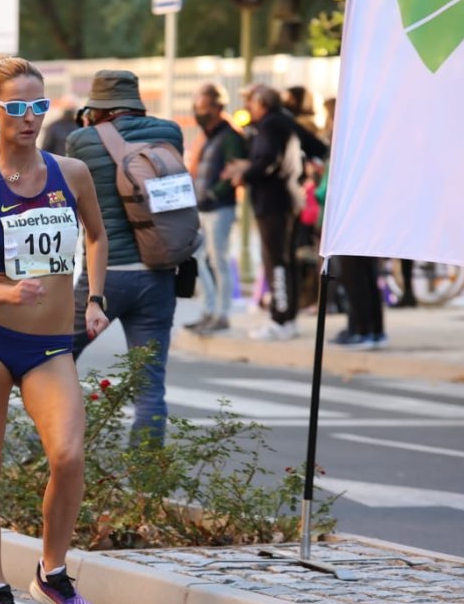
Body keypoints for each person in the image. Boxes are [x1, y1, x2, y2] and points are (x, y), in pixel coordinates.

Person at [0, 55, 108, 604]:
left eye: (39, 106)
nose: (30, 117)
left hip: (49, 349)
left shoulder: (72, 173)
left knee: (68, 455)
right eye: (17, 107)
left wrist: (95, 299)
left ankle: (53, 571)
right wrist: (8, 294)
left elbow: (96, 235)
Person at [66, 69, 183, 443]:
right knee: (150, 384)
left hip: (106, 276)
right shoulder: (170, 133)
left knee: (54, 359)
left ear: (96, 109)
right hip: (160, 273)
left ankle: (47, 452)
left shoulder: (81, 141)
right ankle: (146, 477)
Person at [223, 84, 300, 341]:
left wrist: (243, 173)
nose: (247, 107)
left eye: (251, 102)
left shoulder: (270, 125)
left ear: (262, 104)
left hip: (273, 202)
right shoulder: (279, 123)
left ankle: (281, 318)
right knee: (282, 260)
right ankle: (286, 315)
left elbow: (267, 160)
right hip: (281, 200)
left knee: (276, 261)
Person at [185, 83, 244, 335]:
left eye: (204, 107)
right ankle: (209, 310)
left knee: (218, 259)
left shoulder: (230, 136)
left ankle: (222, 313)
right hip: (204, 207)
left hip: (220, 207)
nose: (199, 112)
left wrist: (212, 192)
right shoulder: (207, 137)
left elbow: (235, 171)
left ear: (218, 107)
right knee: (200, 259)